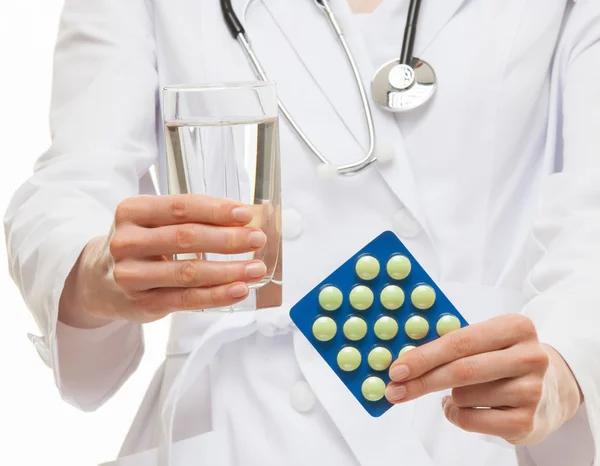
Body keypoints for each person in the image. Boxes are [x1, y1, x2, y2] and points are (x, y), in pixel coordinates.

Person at [4, 0, 600, 465]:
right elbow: (70, 182)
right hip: (239, 423)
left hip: (462, 419)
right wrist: (95, 269)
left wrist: (567, 364)